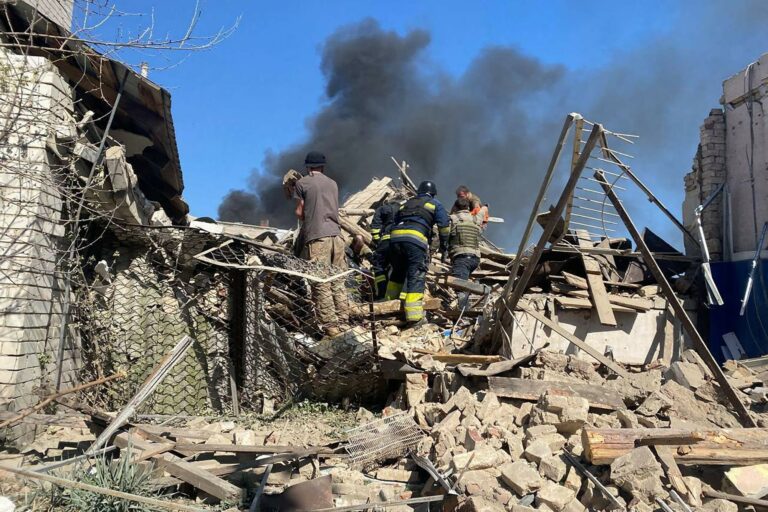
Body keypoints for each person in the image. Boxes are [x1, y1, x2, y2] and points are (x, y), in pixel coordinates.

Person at [294, 151, 350, 337]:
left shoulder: (302, 183)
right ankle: (344, 322)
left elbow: (300, 212)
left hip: (318, 238)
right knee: (338, 281)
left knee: (321, 282)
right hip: (337, 237)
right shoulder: (333, 183)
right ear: (323, 166)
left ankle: (331, 326)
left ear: (307, 167)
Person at [386, 181, 450, 324]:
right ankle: (414, 317)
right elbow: (444, 227)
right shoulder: (435, 204)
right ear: (433, 193)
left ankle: (388, 308)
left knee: (397, 273)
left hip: (395, 240)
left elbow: (394, 221)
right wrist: (444, 246)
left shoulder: (406, 203)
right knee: (416, 275)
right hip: (415, 240)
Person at [448, 197, 482, 310]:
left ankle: (464, 312)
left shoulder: (453, 219)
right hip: (475, 259)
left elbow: (444, 235)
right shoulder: (475, 219)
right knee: (463, 283)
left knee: (460, 286)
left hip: (462, 258)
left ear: (455, 207)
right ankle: (464, 308)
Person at [369, 200, 400, 299]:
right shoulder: (404, 210)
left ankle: (381, 293)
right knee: (398, 268)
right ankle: (394, 296)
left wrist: (378, 241)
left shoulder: (383, 208)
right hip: (400, 242)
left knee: (379, 266)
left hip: (386, 241)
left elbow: (375, 227)